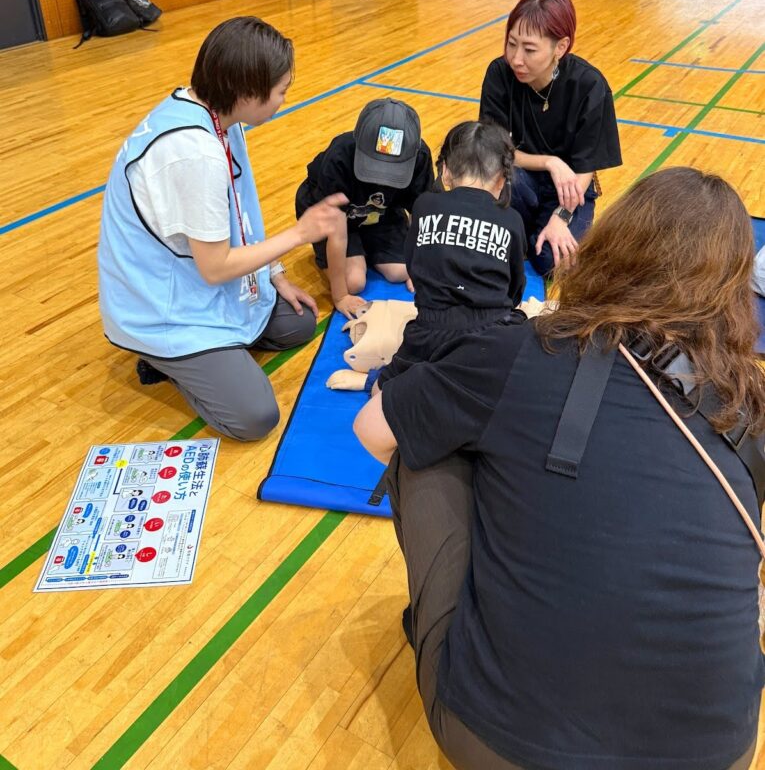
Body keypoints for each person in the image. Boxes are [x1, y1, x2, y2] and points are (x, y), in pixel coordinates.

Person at [354, 166, 765, 770]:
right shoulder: (749, 408)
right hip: (719, 753)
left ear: (614, 247)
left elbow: (374, 432)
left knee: (425, 440)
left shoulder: (522, 349)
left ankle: (444, 631)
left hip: (497, 742)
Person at [98, 16, 346, 441]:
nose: (284, 99)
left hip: (195, 277)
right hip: (163, 307)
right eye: (281, 91)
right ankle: (165, 361)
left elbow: (240, 210)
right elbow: (213, 268)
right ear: (248, 92)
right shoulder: (195, 153)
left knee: (299, 323)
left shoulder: (216, 116)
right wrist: (300, 234)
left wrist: (274, 273)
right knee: (254, 417)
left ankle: (215, 357)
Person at [374, 120, 527, 390]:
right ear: (503, 179)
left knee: (380, 390)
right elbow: (515, 289)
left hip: (430, 330)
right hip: (493, 332)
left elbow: (414, 264)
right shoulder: (512, 219)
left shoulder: (424, 205)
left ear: (444, 172)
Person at [479, 0, 622, 274]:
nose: (516, 59)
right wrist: (549, 162)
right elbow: (496, 150)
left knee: (552, 263)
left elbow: (585, 168)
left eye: (529, 49)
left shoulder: (589, 85)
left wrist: (562, 216)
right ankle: (523, 232)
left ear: (561, 46)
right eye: (511, 44)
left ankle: (537, 230)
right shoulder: (499, 73)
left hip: (570, 189)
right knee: (496, 249)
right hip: (517, 179)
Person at [295, 97, 434, 318]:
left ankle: (365, 247)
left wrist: (425, 265)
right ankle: (356, 250)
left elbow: (426, 215)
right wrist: (340, 296)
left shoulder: (420, 157)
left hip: (381, 213)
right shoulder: (339, 157)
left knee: (402, 271)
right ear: (358, 140)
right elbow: (337, 233)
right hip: (333, 216)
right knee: (354, 282)